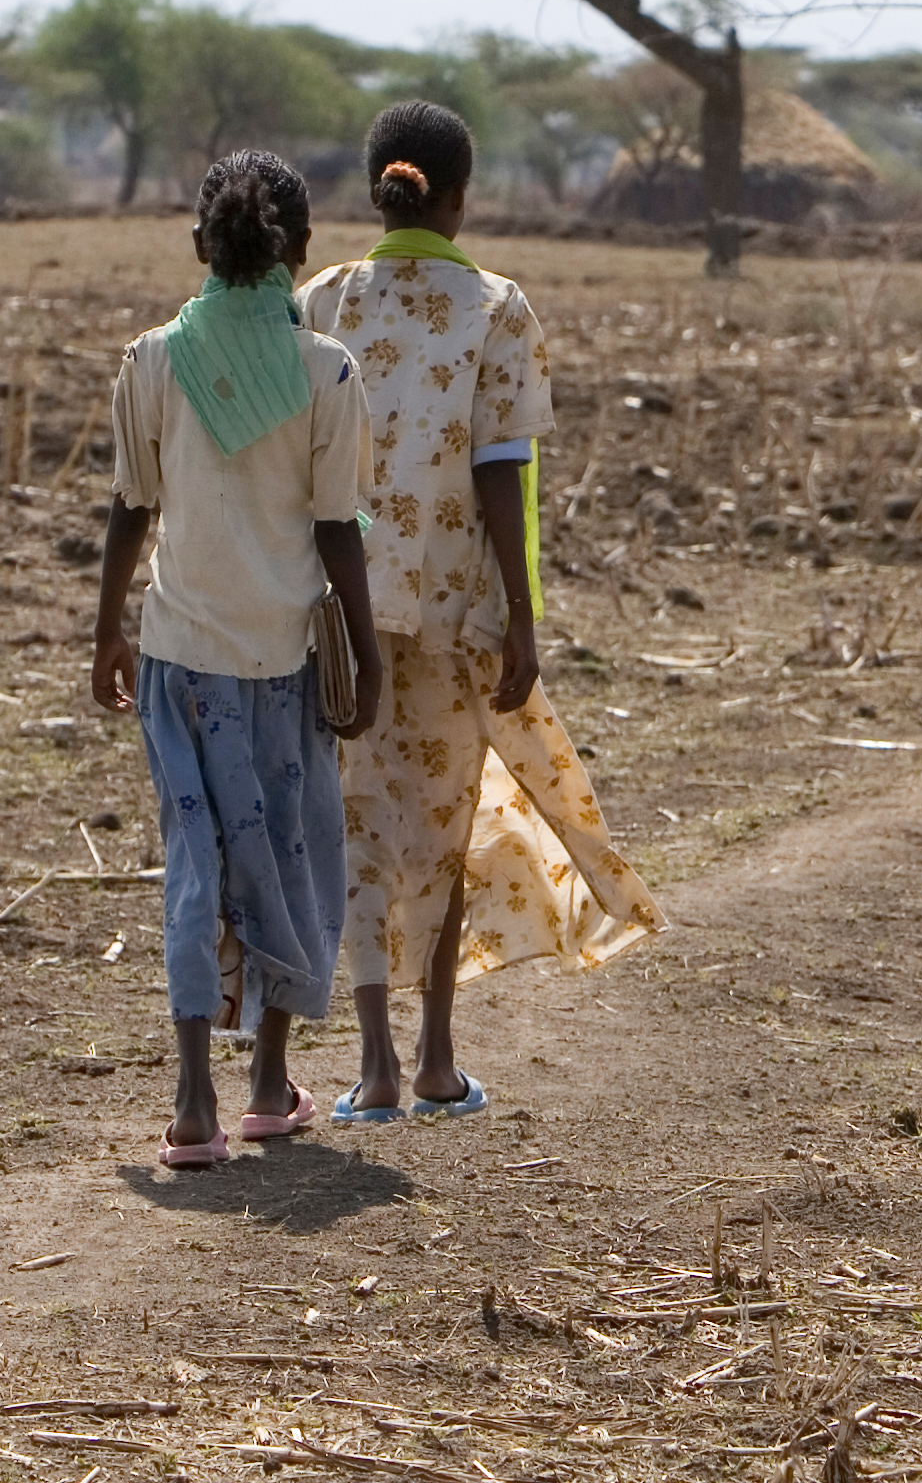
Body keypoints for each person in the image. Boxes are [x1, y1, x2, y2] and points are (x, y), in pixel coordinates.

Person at [303, 100, 660, 1123]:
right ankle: (437, 1059)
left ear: (379, 186)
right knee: (444, 820)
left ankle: (371, 1065)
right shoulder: (499, 307)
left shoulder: (323, 299)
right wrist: (524, 611)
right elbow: (507, 474)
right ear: (462, 195)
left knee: (361, 817)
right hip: (455, 605)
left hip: (342, 604)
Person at [88, 150, 385, 1170]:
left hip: (180, 657)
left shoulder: (152, 360)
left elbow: (133, 504)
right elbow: (338, 525)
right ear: (299, 251)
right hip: (284, 659)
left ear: (199, 246)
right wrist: (369, 641)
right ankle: (268, 1081)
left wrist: (105, 626)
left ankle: (188, 1102)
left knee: (197, 863)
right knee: (288, 860)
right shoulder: (327, 370)